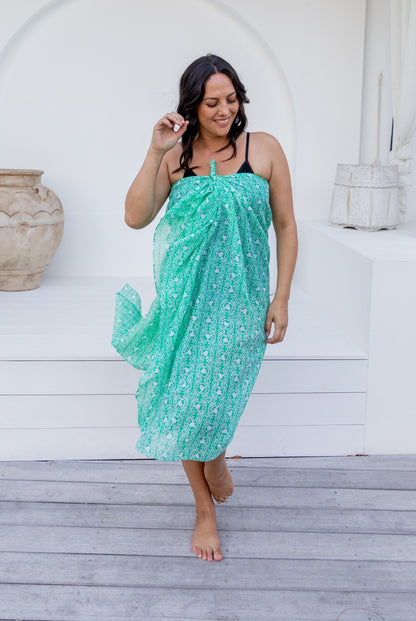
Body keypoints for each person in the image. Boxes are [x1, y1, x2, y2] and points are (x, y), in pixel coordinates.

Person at [112, 54, 298, 563]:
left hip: (241, 304)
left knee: (211, 399)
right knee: (187, 399)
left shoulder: (264, 149)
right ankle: (204, 510)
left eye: (231, 99)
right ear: (192, 105)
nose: (223, 110)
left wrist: (281, 296)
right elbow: (135, 217)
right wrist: (156, 151)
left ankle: (213, 451)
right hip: (185, 300)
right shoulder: (177, 157)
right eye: (211, 102)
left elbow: (285, 225)